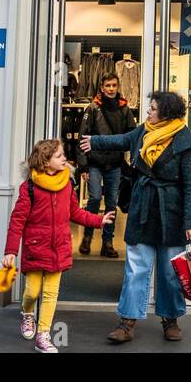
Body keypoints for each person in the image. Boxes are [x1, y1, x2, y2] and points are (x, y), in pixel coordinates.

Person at [79, 90, 191, 344]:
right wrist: (94, 141)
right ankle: (127, 321)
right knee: (136, 269)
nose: (148, 112)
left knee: (169, 272)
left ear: (165, 113)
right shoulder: (142, 132)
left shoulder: (187, 140)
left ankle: (170, 319)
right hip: (142, 208)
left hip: (172, 213)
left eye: (153, 108)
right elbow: (120, 140)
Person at [3, 138, 114, 354]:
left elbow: (75, 213)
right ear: (45, 162)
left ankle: (43, 335)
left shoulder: (67, 184)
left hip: (59, 248)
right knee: (32, 292)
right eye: (59, 156)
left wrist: (98, 220)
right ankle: (27, 313)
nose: (65, 159)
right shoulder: (30, 188)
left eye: (64, 155)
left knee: (51, 294)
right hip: (36, 248)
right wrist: (10, 251)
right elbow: (17, 221)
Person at [77, 73, 134, 259]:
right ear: (101, 87)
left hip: (115, 164)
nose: (111, 89)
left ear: (118, 87)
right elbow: (82, 138)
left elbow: (132, 135)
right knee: (93, 199)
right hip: (94, 163)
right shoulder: (92, 108)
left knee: (111, 203)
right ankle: (87, 237)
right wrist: (83, 167)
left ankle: (107, 243)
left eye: (114, 85)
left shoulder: (124, 109)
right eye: (108, 85)